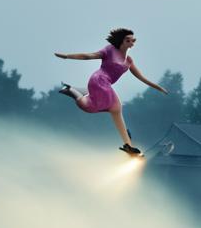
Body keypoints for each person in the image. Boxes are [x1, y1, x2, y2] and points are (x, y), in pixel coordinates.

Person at [54, 28, 167, 156]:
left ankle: (71, 90)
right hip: (99, 80)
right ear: (121, 41)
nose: (131, 43)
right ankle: (128, 145)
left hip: (102, 84)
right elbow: (89, 56)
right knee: (115, 108)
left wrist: (158, 87)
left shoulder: (128, 61)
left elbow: (141, 77)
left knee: (101, 107)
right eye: (128, 40)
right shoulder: (109, 50)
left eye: (133, 40)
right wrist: (67, 56)